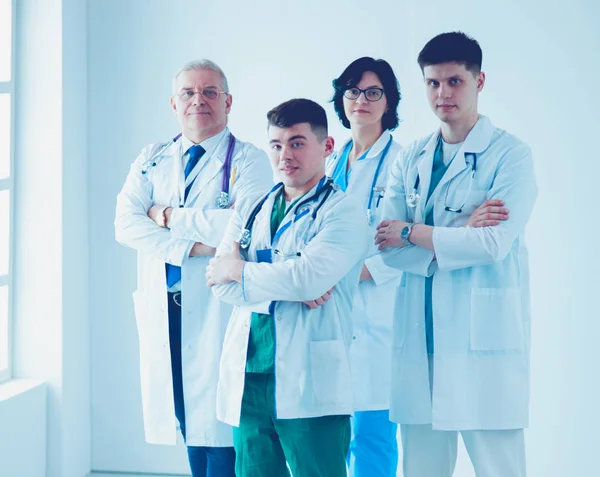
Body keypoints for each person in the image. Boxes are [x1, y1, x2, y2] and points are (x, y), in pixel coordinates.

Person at [374, 32, 537, 477]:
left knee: (500, 469)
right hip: (419, 342)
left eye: (454, 81)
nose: (442, 94)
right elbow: (385, 246)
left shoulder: (511, 156)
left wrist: (414, 231)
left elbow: (492, 244)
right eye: (432, 83)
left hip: (481, 346)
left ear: (479, 80)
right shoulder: (411, 156)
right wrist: (453, 232)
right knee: (422, 470)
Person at [114, 59, 272, 477]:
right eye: (188, 92)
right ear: (173, 102)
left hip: (217, 310)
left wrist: (165, 215)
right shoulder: (153, 158)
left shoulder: (249, 160)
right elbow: (126, 225)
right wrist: (196, 247)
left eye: (209, 92)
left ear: (228, 101)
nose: (197, 100)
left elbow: (246, 226)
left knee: (221, 430)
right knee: (186, 420)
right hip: (167, 309)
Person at [205, 98, 368, 477]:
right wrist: (289, 283)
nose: (284, 156)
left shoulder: (343, 211)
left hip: (309, 379)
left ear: (326, 146)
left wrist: (242, 271)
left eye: (296, 143)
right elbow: (218, 282)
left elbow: (307, 278)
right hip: (249, 379)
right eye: (276, 145)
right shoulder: (252, 207)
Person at [326, 56, 402, 477]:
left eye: (374, 92)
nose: (362, 100)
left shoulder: (403, 163)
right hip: (333, 312)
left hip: (377, 315)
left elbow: (401, 247)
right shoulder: (333, 163)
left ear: (388, 102)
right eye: (352, 91)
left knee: (372, 432)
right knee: (337, 432)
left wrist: (334, 275)